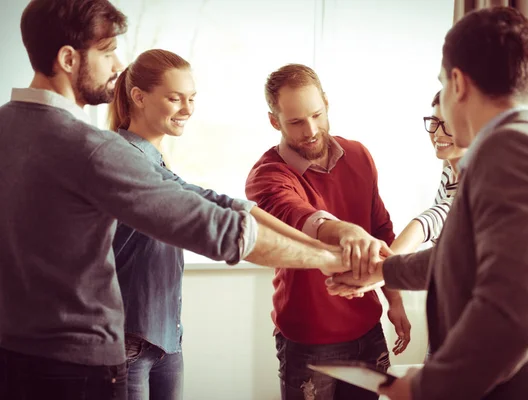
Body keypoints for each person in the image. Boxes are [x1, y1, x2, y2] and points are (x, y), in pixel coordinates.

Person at [0, 2, 350, 399]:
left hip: (14, 358)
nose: (117, 64)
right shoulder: (92, 149)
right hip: (79, 369)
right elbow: (215, 228)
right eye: (108, 51)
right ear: (67, 58)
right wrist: (333, 259)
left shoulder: (6, 128)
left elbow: (212, 201)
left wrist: (324, 238)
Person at [328, 6, 528, 400]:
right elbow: (460, 255)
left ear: (457, 83)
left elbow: (515, 315)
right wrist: (384, 271)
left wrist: (426, 387)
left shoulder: (513, 151)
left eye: (442, 82)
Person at [245, 63, 411, 400]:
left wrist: (395, 300)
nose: (310, 130)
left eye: (316, 115)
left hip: (368, 331)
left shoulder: (359, 155)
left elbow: (381, 229)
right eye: (295, 121)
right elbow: (297, 214)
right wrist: (344, 230)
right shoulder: (267, 175)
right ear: (274, 121)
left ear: (326, 104)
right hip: (308, 343)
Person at [107, 49, 250, 400]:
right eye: (175, 98)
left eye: (191, 98)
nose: (187, 109)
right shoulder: (123, 157)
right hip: (129, 342)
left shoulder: (159, 162)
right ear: (138, 97)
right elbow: (210, 207)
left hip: (167, 338)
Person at [390, 90, 465, 255]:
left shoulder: (473, 185)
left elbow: (429, 222)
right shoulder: (449, 171)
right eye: (435, 121)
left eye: (449, 124)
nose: (438, 133)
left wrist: (383, 268)